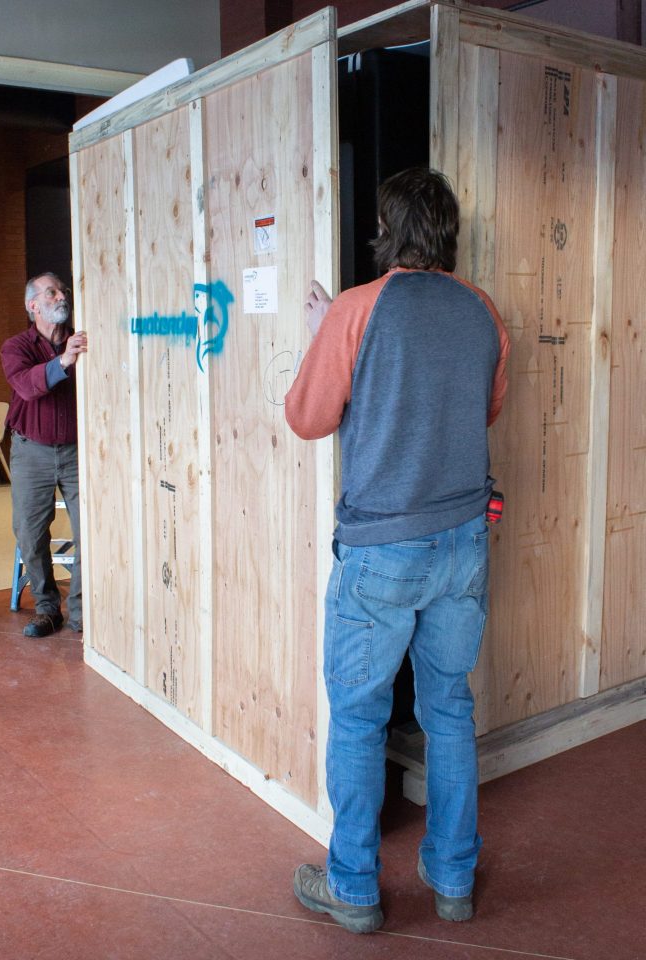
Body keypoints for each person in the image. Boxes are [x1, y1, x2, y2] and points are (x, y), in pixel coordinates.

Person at [285, 168, 510, 933]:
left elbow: (308, 417)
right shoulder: (483, 311)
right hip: (464, 543)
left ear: (388, 229)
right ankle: (452, 880)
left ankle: (353, 886)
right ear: (448, 232)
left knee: (358, 718)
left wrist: (327, 332)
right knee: (447, 707)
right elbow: (487, 405)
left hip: (382, 549)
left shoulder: (355, 309)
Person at [1, 273, 87, 638]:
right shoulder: (15, 347)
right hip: (31, 450)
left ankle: (82, 613)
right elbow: (26, 384)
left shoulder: (81, 341)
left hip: (77, 451)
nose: (60, 296)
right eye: (51, 292)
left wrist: (72, 354)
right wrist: (63, 362)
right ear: (32, 305)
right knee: (30, 532)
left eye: (62, 290)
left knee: (90, 531)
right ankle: (48, 608)